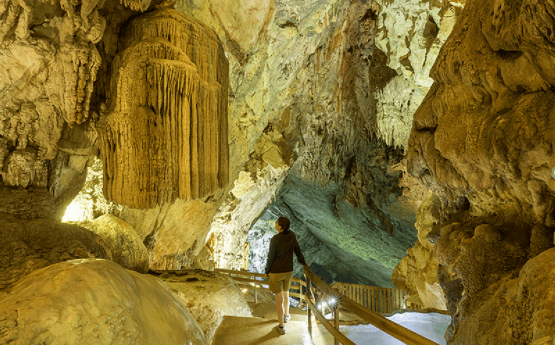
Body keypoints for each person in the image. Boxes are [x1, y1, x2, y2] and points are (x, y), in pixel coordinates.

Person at [265, 216, 306, 335]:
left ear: (280, 227)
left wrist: (267, 271)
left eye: (277, 222)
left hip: (276, 273)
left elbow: (271, 257)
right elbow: (297, 250)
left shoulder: (275, 239)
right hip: (288, 272)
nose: (275, 223)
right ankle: (287, 316)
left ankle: (281, 327)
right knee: (286, 295)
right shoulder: (291, 235)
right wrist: (303, 261)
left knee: (279, 301)